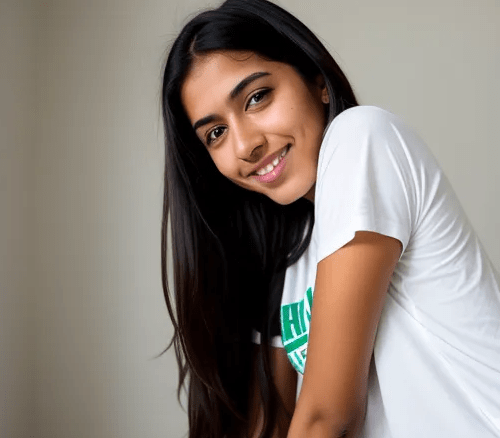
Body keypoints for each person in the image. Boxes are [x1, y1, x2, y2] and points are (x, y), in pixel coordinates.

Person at [159, 0, 500, 437]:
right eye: (216, 133)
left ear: (317, 81)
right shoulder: (291, 251)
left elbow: (327, 417)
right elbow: (271, 423)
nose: (245, 145)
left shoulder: (362, 137)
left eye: (257, 97)